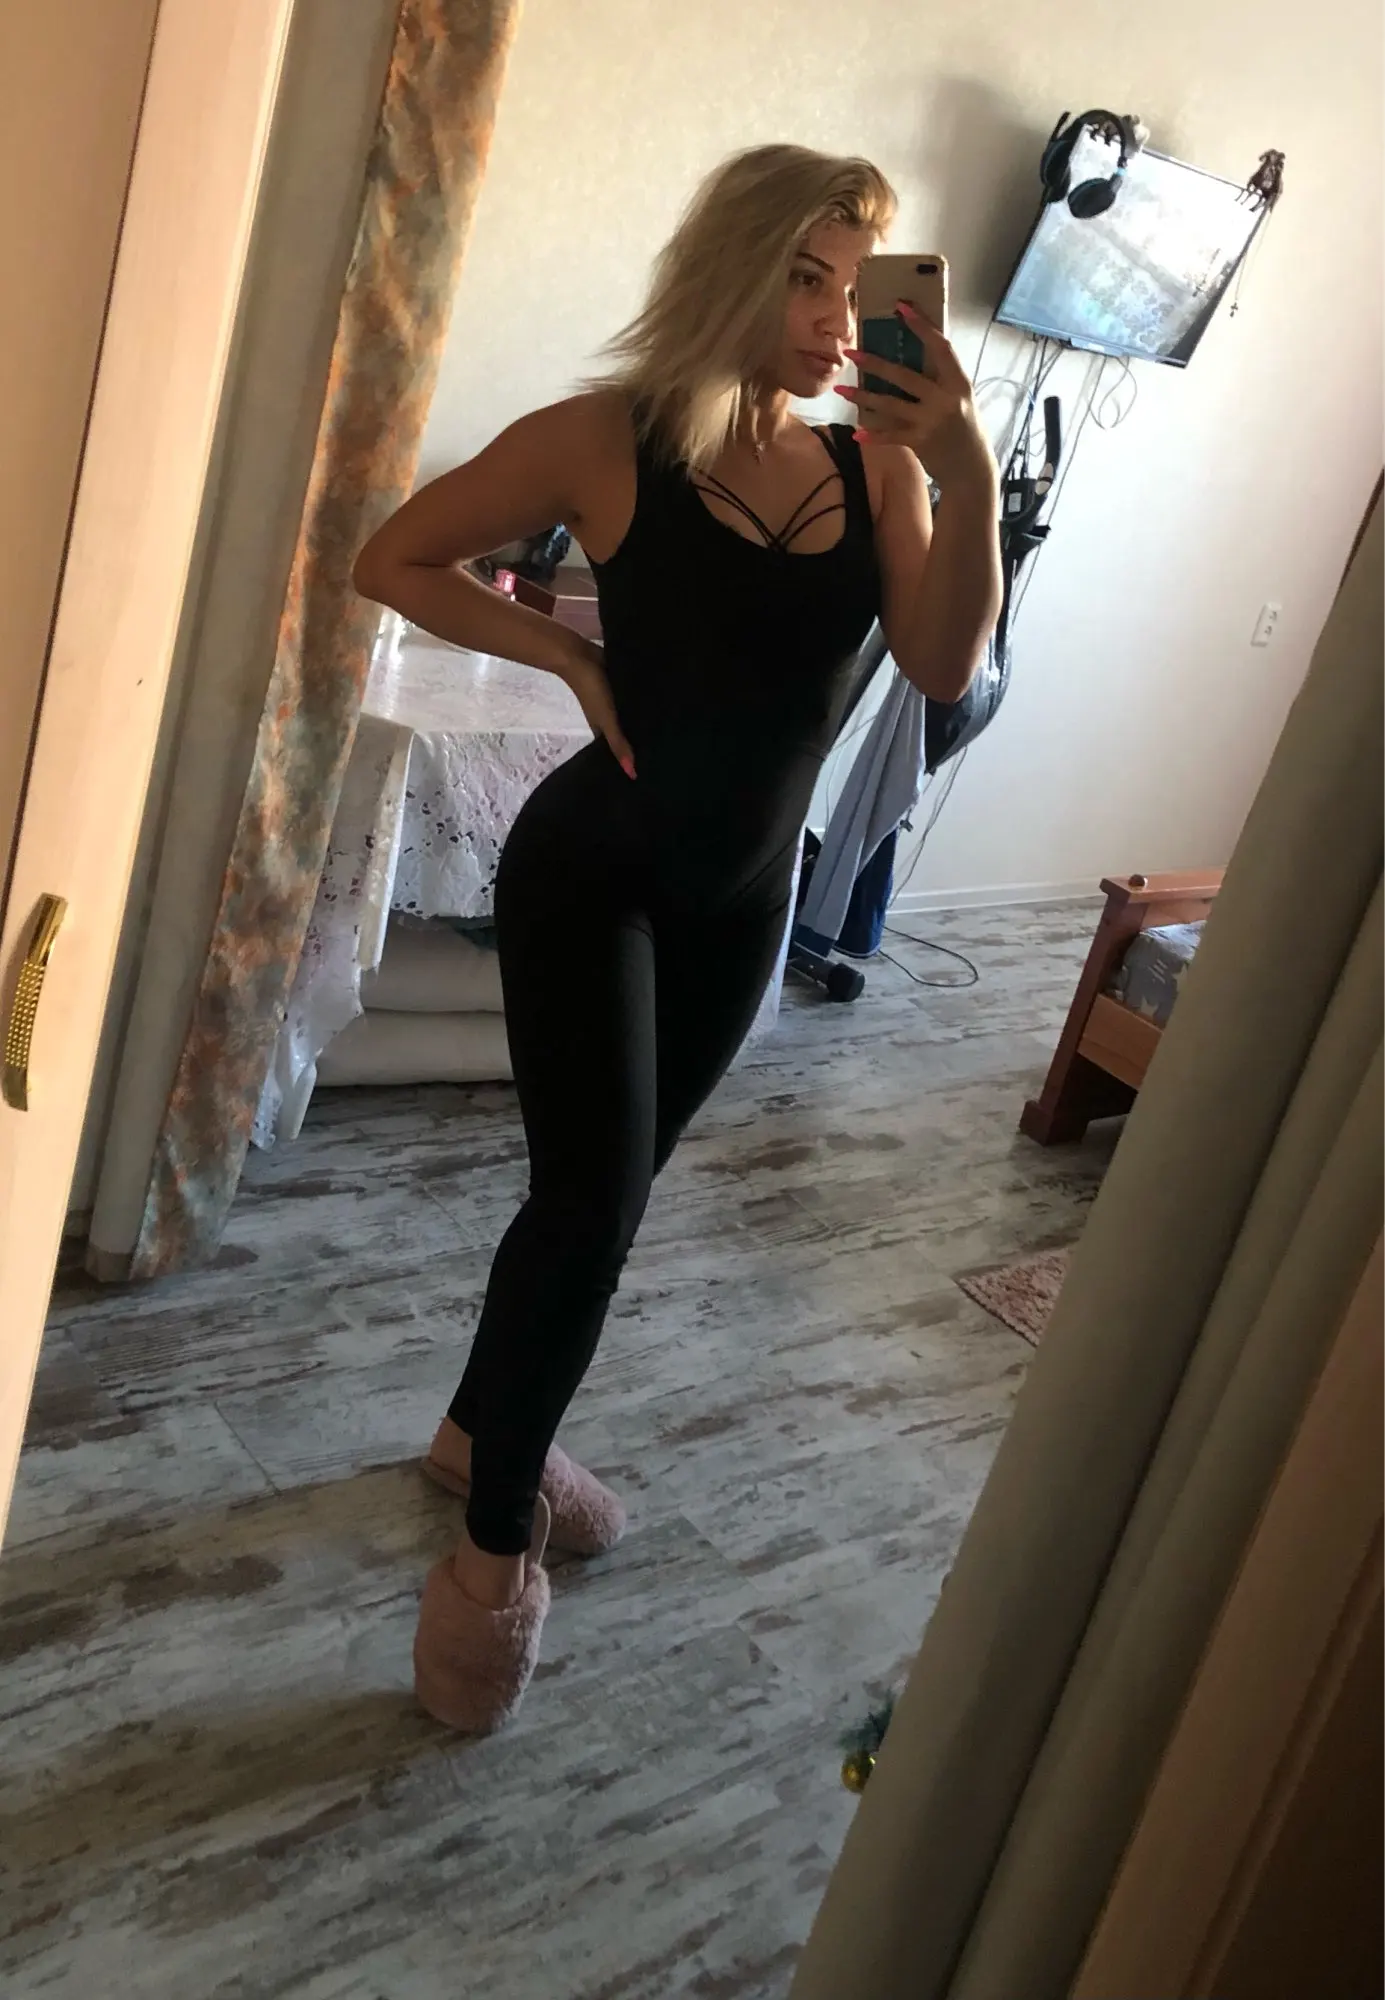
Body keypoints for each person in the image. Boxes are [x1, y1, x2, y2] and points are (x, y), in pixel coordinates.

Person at [352, 143, 1003, 1732]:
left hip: (742, 903)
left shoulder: (880, 467)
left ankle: (477, 1431)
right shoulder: (606, 438)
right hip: (595, 874)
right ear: (732, 269)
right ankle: (488, 1560)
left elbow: (939, 668)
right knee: (589, 1208)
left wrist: (968, 470)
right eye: (807, 278)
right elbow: (394, 557)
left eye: (858, 286)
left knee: (607, 1200)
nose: (837, 317)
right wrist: (568, 662)